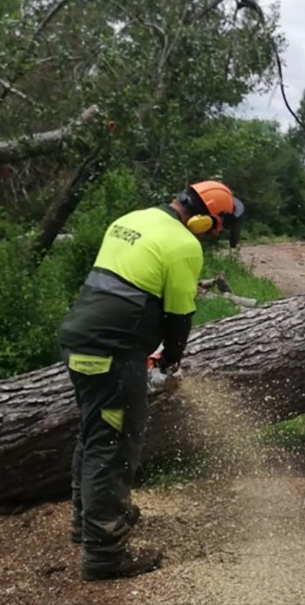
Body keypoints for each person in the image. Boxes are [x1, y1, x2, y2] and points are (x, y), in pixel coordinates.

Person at [59, 180, 243, 581]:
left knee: (93, 435)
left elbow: (132, 293)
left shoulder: (132, 219)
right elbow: (179, 317)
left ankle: (87, 523)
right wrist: (170, 363)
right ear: (202, 219)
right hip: (112, 353)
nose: (214, 236)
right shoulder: (183, 245)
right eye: (217, 227)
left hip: (78, 340)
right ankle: (104, 553)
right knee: (112, 444)